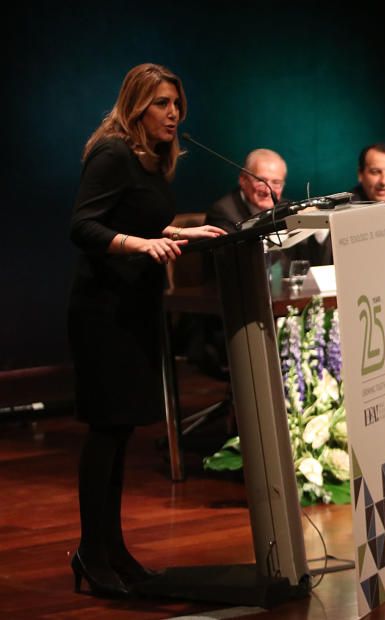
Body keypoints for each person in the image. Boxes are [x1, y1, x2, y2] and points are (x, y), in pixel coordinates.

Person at [67, 63, 224, 597]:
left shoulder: (152, 161)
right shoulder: (111, 152)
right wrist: (141, 245)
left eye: (177, 103)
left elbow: (136, 221)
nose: (174, 113)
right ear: (137, 105)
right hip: (102, 312)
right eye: (162, 103)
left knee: (122, 430)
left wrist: (181, 231)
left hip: (135, 308)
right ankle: (92, 551)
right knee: (106, 430)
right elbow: (83, 226)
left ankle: (111, 549)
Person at [205, 148, 288, 234]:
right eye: (261, 181)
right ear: (243, 180)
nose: (268, 191)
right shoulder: (222, 212)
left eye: (276, 182)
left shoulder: (288, 209)